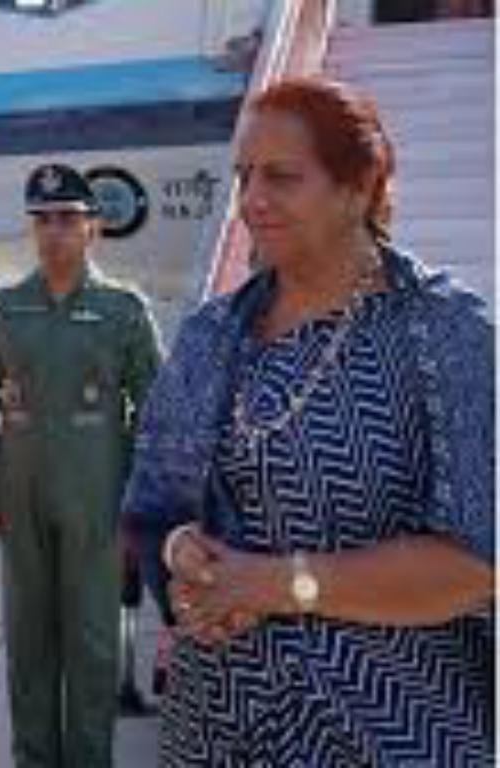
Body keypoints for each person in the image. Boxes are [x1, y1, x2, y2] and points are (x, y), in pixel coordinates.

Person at [124, 77, 494, 766]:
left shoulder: (446, 333)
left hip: (387, 725)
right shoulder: (211, 333)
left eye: (282, 177)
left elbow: (479, 561)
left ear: (360, 186)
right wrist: (185, 557)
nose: (251, 200)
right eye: (245, 176)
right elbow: (154, 506)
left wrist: (278, 584)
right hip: (216, 727)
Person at [0, 163, 161, 767]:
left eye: (68, 219)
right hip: (20, 497)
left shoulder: (123, 311)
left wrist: (142, 505)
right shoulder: (5, 309)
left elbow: (155, 415)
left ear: (93, 228)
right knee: (29, 642)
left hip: (97, 498)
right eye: (42, 220)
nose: (54, 231)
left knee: (93, 644)